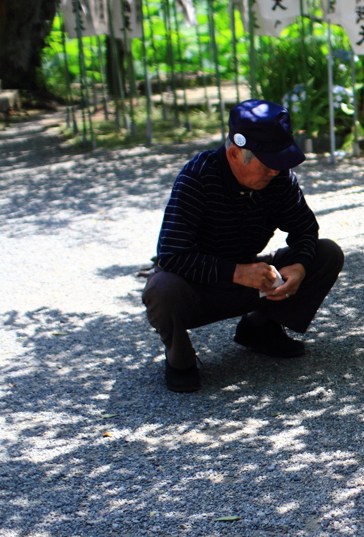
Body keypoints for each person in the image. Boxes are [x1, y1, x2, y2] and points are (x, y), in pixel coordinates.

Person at [143, 99, 344, 392]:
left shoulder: (278, 177)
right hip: (197, 288)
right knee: (162, 289)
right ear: (236, 153)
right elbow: (172, 254)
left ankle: (260, 327)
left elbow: (304, 228)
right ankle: (180, 357)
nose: (275, 171)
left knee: (326, 253)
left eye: (280, 161)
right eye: (268, 163)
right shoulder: (197, 177)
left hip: (251, 280)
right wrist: (236, 272)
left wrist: (298, 265)